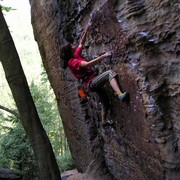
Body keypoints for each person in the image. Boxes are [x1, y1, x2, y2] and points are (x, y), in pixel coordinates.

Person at [60, 27, 128, 125]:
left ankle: (104, 121)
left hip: (91, 83)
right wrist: (103, 56)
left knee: (105, 102)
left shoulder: (75, 55)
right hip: (90, 83)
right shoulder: (72, 62)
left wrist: (86, 30)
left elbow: (81, 44)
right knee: (110, 73)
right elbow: (87, 64)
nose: (72, 45)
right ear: (69, 50)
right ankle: (120, 94)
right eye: (71, 45)